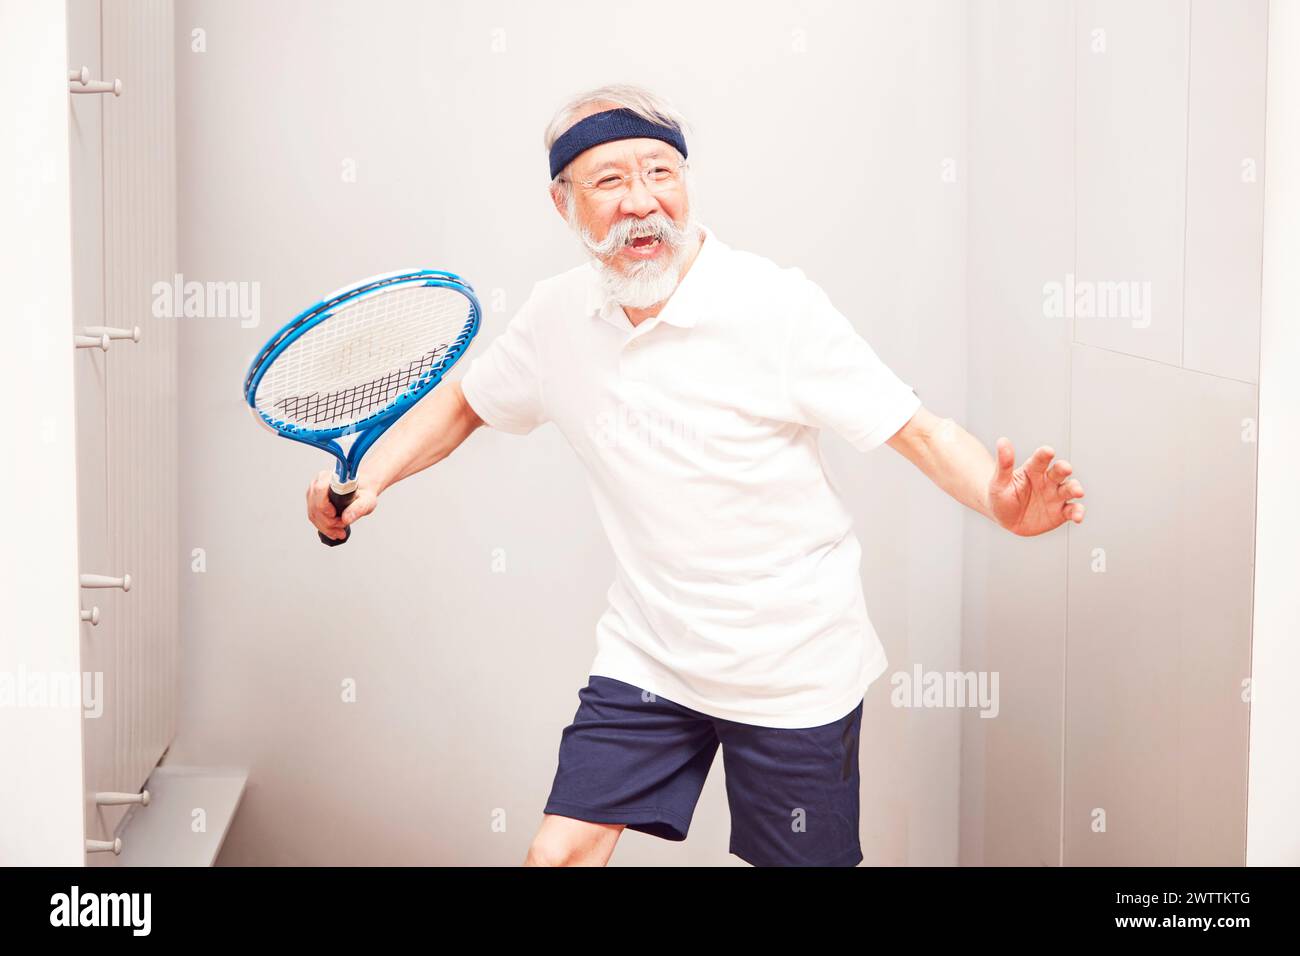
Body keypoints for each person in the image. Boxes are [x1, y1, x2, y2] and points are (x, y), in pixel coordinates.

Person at [306, 84, 1087, 867]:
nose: (643, 202)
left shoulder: (774, 308)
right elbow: (464, 404)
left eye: (662, 173)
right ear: (562, 203)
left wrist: (997, 500)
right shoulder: (555, 319)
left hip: (793, 665)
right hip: (652, 655)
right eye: (609, 181)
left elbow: (919, 432)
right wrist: (371, 478)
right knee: (557, 854)